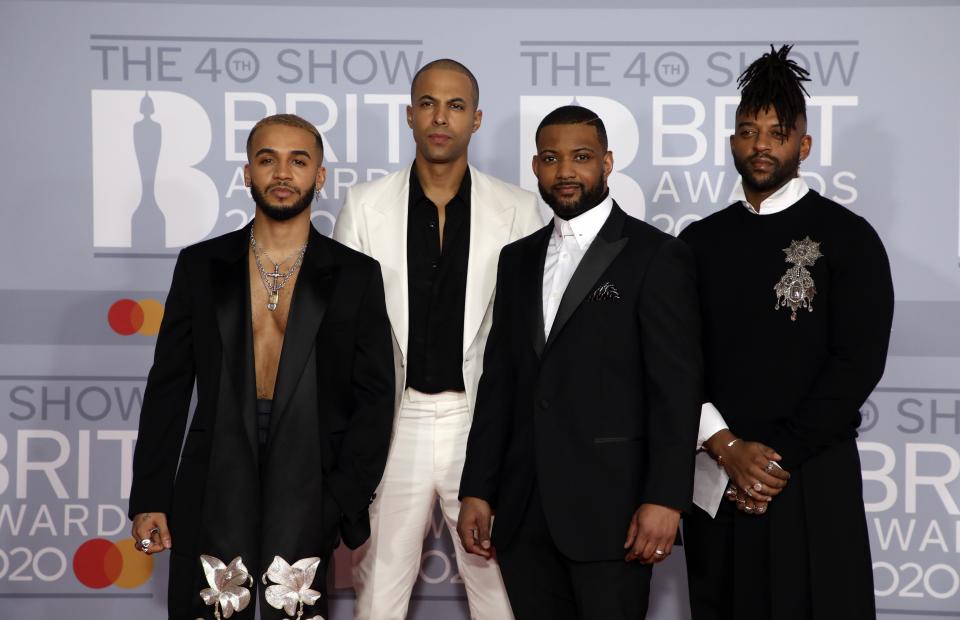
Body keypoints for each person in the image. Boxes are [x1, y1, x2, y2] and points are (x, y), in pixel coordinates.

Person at [128, 114, 395, 619]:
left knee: (291, 612)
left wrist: (341, 496)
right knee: (208, 609)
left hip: (310, 472)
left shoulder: (356, 276)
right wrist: (150, 496)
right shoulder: (201, 265)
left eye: (298, 161)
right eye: (267, 159)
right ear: (247, 173)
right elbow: (168, 386)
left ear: (319, 176)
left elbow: (376, 397)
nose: (281, 173)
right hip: (212, 473)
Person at [456, 105, 703, 619]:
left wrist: (666, 498)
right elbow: (499, 382)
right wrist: (478, 489)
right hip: (525, 511)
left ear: (607, 163)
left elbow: (675, 390)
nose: (565, 171)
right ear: (536, 168)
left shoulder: (655, 255)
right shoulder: (517, 259)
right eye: (551, 158)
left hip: (614, 513)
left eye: (581, 157)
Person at [680, 45, 894, 619]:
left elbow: (857, 362)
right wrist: (726, 448)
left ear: (803, 145)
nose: (761, 144)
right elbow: (675, 359)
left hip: (812, 476)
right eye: (748, 131)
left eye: (777, 133)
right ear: (731, 143)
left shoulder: (848, 237)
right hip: (718, 478)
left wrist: (775, 462)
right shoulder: (697, 243)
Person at [332, 58, 542, 620]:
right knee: (377, 596)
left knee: (500, 594)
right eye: (427, 103)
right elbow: (343, 335)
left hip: (479, 422)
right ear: (409, 116)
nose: (440, 117)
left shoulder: (521, 210)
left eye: (454, 105)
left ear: (476, 119)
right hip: (392, 422)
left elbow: (528, 339)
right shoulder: (363, 206)